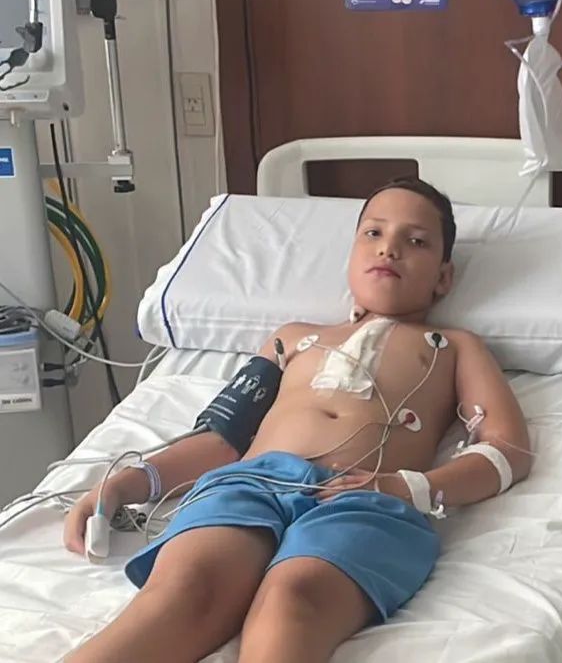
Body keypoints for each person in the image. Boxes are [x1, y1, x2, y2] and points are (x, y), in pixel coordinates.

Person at [64, 177, 531, 663]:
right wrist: (123, 485)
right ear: (350, 255)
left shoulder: (455, 347)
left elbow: (509, 450)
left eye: (415, 241)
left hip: (367, 497)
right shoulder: (292, 338)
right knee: (187, 590)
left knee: (293, 601)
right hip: (250, 483)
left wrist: (409, 488)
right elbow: (222, 440)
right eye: (373, 233)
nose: (389, 249)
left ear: (443, 278)